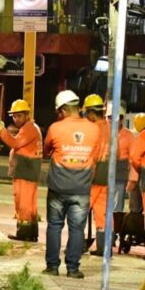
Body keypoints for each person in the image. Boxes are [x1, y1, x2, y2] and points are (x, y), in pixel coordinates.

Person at [42, 90, 103, 277]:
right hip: (82, 189)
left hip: (58, 188)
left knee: (54, 226)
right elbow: (97, 156)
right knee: (77, 229)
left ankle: (52, 267)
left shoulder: (55, 128)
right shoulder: (95, 129)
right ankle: (73, 269)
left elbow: (45, 151)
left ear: (62, 110)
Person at [0, 99, 42, 241]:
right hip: (29, 170)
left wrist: (1, 131)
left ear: (27, 114)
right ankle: (32, 232)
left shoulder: (29, 128)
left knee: (23, 202)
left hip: (25, 171)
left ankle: (24, 233)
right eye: (14, 116)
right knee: (30, 203)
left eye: (19, 115)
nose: (16, 119)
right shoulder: (33, 127)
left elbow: (14, 143)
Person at [82, 95, 112, 254]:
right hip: (108, 176)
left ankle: (78, 245)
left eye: (87, 113)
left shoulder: (93, 129)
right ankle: (104, 248)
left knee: (80, 210)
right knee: (102, 213)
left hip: (93, 176)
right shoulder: (110, 128)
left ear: (92, 113)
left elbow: (90, 154)